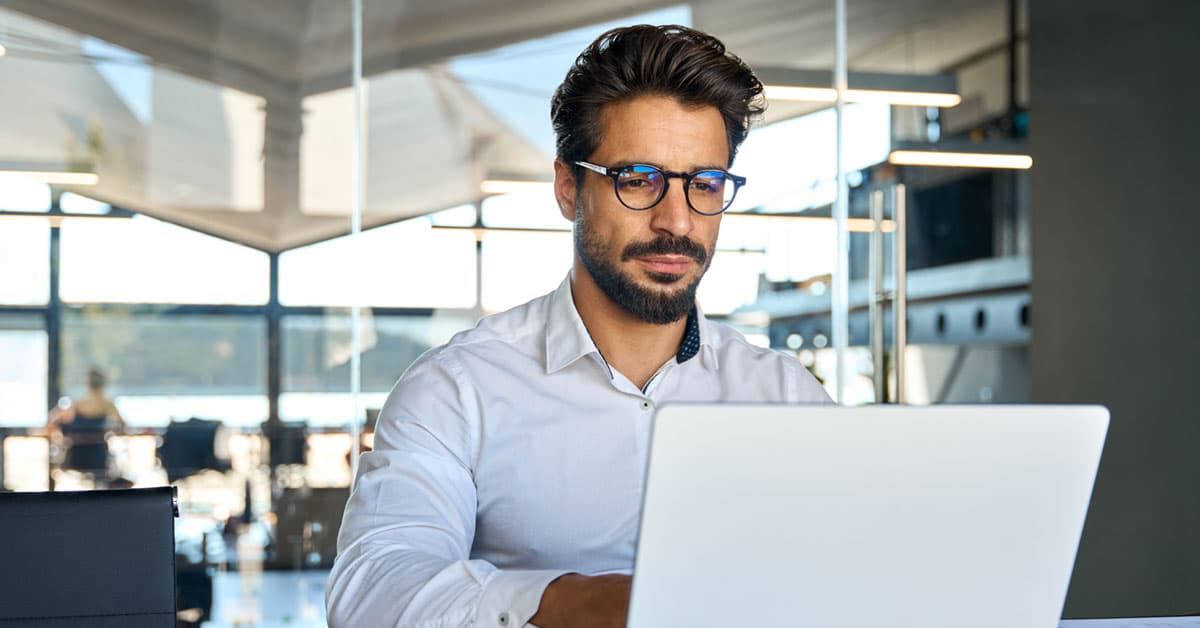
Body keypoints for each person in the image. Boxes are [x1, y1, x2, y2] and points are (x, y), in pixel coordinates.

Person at [326, 24, 831, 628]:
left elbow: (861, 569)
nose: (677, 220)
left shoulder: (784, 395)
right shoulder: (457, 392)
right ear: (569, 189)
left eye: (704, 184)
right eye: (638, 180)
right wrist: (579, 603)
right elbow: (373, 595)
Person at [47, 367, 125, 480]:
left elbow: (52, 420)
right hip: (99, 457)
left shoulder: (77, 403)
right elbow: (122, 424)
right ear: (103, 384)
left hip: (76, 457)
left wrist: (61, 437)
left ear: (87, 384)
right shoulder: (107, 404)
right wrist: (109, 431)